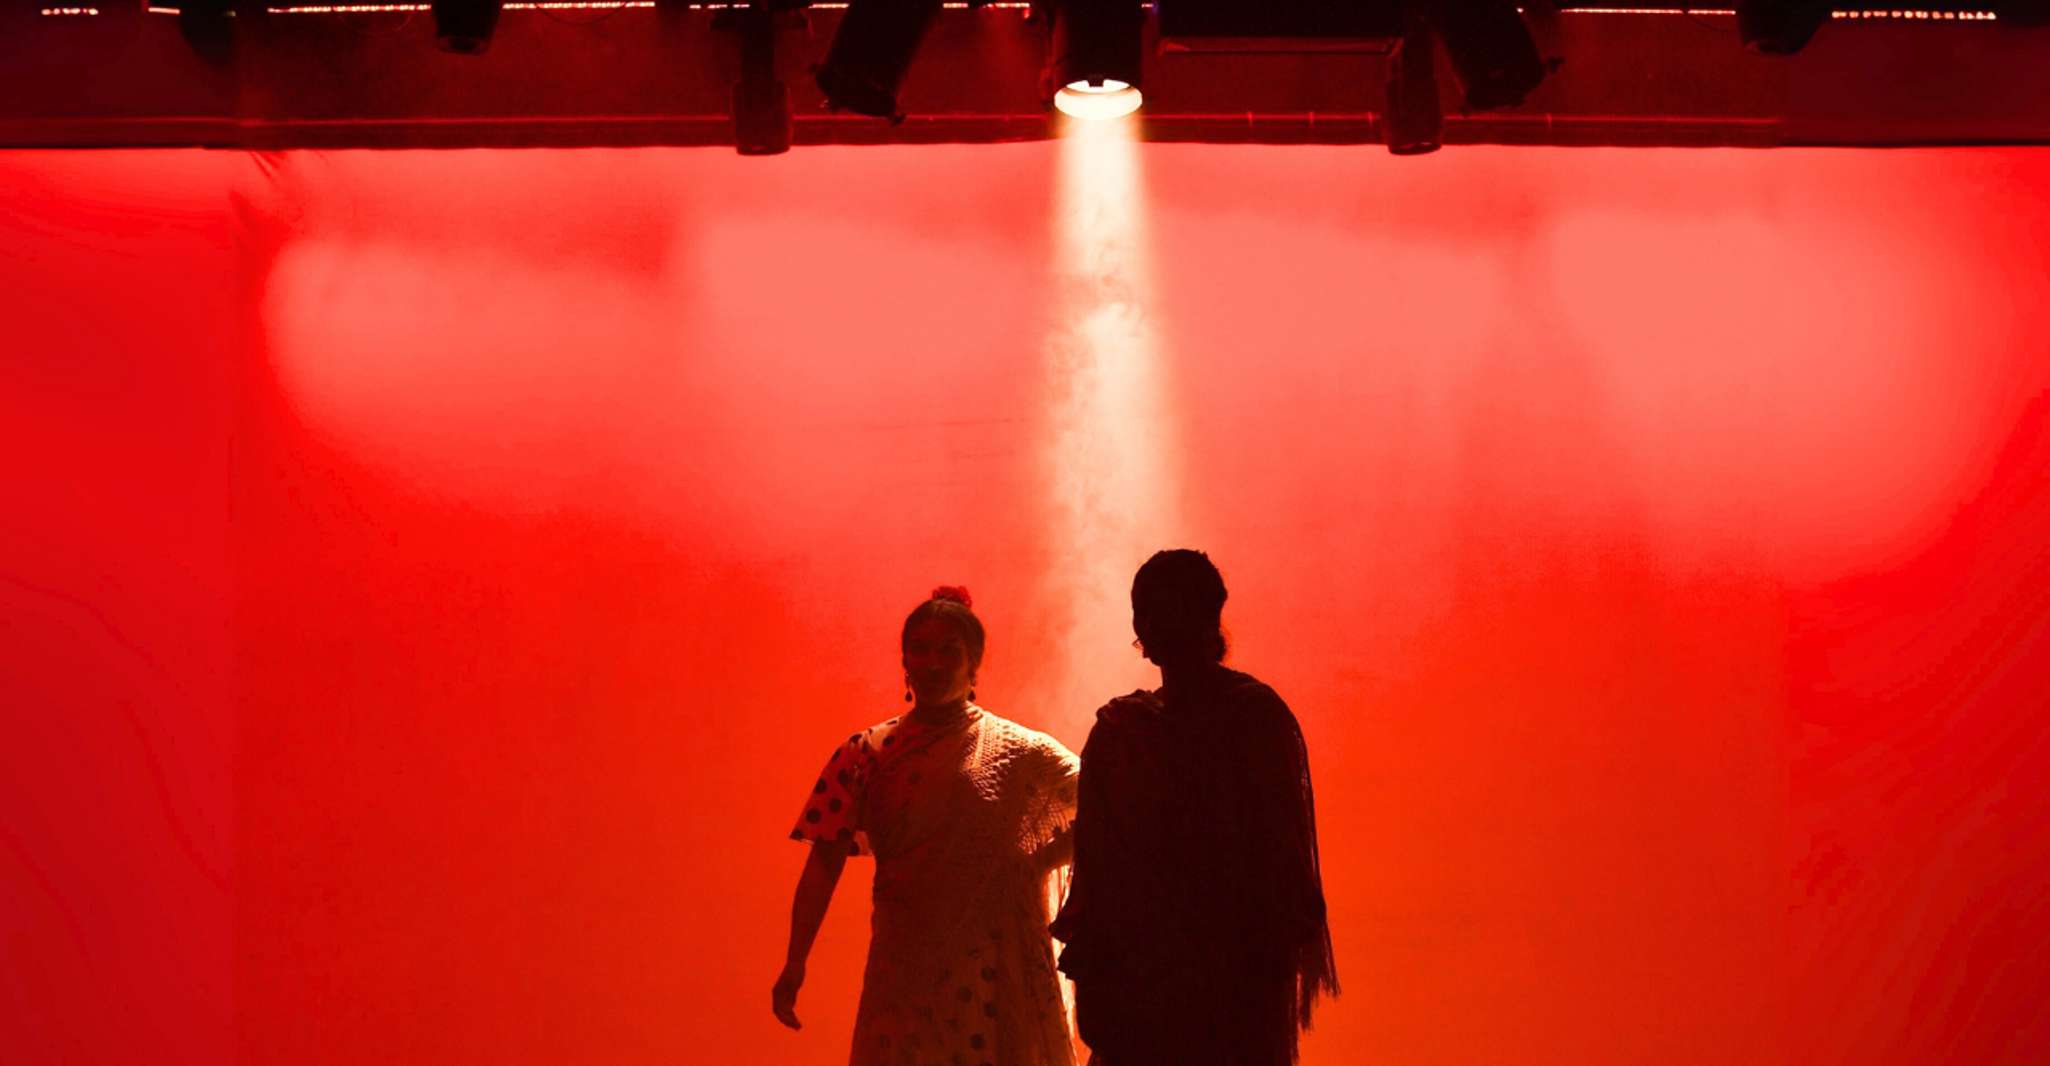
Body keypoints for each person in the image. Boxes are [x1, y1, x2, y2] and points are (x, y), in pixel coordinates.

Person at [1050, 550, 1338, 1066]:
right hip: (1147, 987)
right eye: (1146, 610)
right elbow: (1099, 868)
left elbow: (1278, 866)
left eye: (1168, 609)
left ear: (1207, 616)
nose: (1155, 624)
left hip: (1222, 985)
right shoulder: (1122, 730)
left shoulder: (1249, 718)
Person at [775, 586, 1081, 1066]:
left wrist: (1033, 864)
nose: (933, 663)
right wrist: (796, 961)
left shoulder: (1020, 753)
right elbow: (823, 860)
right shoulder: (867, 753)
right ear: (904, 660)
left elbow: (1103, 802)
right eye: (920, 648)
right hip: (902, 967)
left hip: (988, 969)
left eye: (948, 651)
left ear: (973, 663)